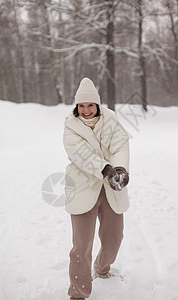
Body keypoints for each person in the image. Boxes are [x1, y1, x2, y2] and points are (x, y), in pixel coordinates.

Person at [63, 77, 130, 300]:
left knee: (114, 238)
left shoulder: (110, 120)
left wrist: (119, 168)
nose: (86, 110)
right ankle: (78, 294)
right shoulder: (70, 127)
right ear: (76, 107)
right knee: (81, 247)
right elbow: (81, 155)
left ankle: (102, 269)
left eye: (90, 105)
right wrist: (106, 169)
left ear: (97, 105)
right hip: (83, 188)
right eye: (81, 106)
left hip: (110, 189)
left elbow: (120, 144)